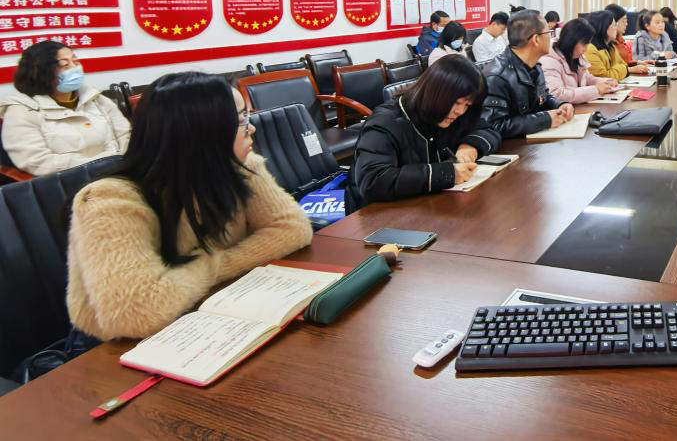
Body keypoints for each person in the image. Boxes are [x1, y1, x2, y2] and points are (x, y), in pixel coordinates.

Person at [65, 72, 312, 342]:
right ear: (201, 131)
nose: (250, 128)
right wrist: (214, 266)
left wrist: (211, 268)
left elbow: (292, 228)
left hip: (211, 309)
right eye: (240, 119)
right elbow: (138, 312)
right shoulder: (109, 201)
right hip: (119, 347)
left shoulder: (239, 165)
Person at [347, 55, 501, 211]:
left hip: (430, 206)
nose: (460, 111)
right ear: (435, 92)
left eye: (467, 104)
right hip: (379, 215)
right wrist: (446, 174)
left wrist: (470, 146)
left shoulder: (453, 115)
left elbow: (488, 130)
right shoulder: (385, 122)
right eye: (457, 102)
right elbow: (373, 180)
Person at [0, 41, 130, 176]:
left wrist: (123, 162)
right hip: (72, 180)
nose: (75, 68)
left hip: (118, 171)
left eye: (76, 61)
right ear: (41, 72)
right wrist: (102, 164)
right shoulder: (22, 111)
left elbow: (125, 135)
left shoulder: (96, 98)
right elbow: (36, 161)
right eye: (64, 64)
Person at [481, 9, 575, 139]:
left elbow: (543, 98)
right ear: (536, 39)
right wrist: (545, 119)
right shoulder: (497, 77)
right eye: (548, 32)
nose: (551, 37)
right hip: (513, 148)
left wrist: (560, 105)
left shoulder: (535, 66)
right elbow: (493, 126)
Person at [540, 18, 618, 104]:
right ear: (571, 40)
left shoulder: (576, 56)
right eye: (584, 44)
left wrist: (606, 82)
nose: (586, 49)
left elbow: (587, 78)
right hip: (565, 110)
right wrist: (596, 90)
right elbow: (556, 94)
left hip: (577, 108)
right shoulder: (549, 61)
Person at [585, 10, 650, 80]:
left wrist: (616, 69)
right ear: (604, 27)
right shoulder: (589, 49)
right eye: (614, 25)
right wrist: (622, 68)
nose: (616, 28)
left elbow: (623, 65)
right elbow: (604, 76)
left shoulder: (610, 46)